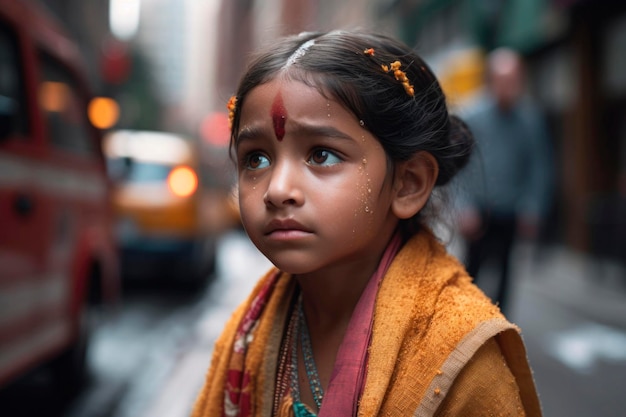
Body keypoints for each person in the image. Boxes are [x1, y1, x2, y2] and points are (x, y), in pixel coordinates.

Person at [192, 30, 542, 417]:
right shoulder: (248, 332)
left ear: (408, 184)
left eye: (321, 155)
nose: (277, 190)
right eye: (255, 159)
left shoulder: (464, 361)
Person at [456, 48, 553, 315]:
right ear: (491, 80)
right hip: (478, 212)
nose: (507, 87)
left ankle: (500, 336)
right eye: (502, 80)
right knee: (471, 276)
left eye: (513, 80)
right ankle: (465, 330)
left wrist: (533, 207)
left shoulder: (530, 119)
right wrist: (463, 206)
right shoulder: (472, 116)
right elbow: (459, 165)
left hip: (511, 212)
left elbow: (539, 166)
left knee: (506, 277)